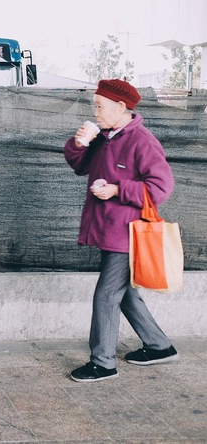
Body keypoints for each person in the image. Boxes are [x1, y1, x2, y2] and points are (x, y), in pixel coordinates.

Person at [64, 79, 179, 383]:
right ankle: (159, 346)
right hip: (109, 230)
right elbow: (80, 165)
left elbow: (161, 187)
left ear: (121, 107)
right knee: (123, 292)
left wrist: (117, 189)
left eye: (100, 106)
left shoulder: (142, 140)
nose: (96, 111)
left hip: (128, 234)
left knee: (106, 295)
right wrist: (79, 144)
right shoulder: (105, 137)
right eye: (95, 105)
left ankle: (102, 363)